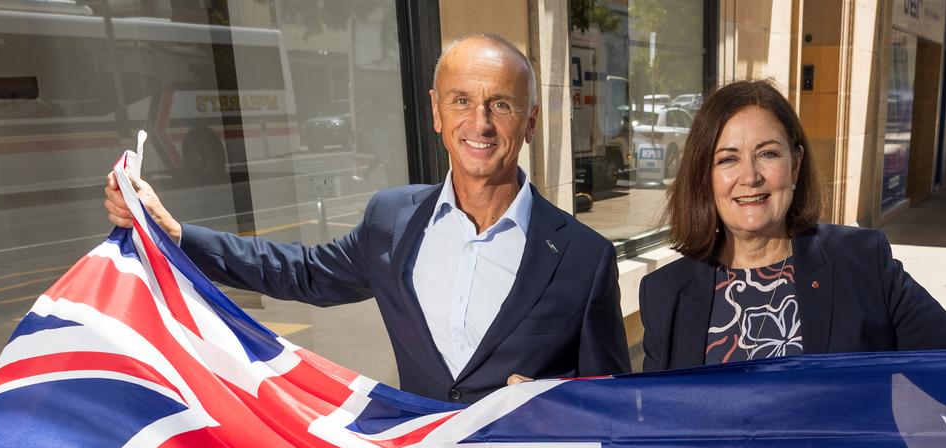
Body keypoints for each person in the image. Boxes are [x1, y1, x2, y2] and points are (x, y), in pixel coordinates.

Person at [105, 34, 630, 404]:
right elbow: (300, 272)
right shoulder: (393, 219)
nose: (480, 123)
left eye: (502, 105)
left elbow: (612, 405)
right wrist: (175, 234)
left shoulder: (584, 258)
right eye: (461, 101)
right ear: (435, 112)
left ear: (531, 122)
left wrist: (556, 403)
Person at [639, 79, 946, 371]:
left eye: (768, 154)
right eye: (728, 159)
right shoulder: (664, 293)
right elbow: (651, 424)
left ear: (795, 165)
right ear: (705, 177)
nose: (751, 177)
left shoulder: (863, 263)